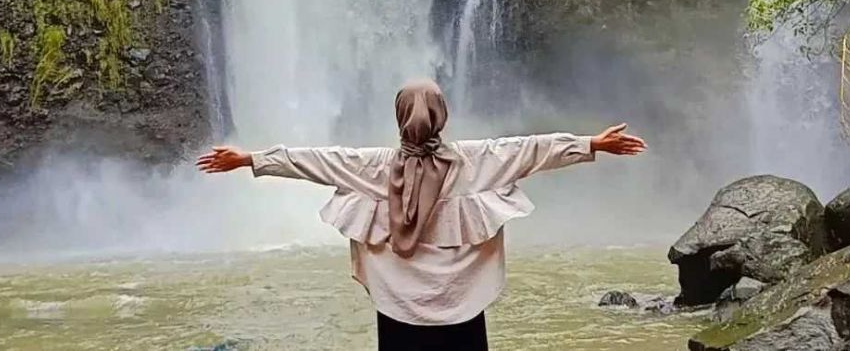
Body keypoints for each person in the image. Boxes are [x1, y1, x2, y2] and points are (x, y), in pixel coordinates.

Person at [196, 78, 647, 349]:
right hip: (461, 301)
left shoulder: (372, 166)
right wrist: (590, 143)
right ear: (442, 116)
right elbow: (530, 150)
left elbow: (313, 159)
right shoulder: (474, 160)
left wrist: (251, 158)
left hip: (400, 303)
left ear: (398, 117)